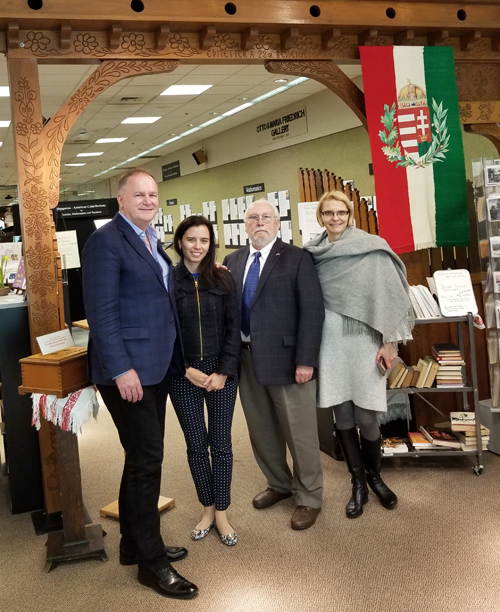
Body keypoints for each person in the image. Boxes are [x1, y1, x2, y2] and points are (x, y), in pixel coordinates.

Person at [82, 169, 198, 599]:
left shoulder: (151, 240)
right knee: (148, 460)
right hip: (128, 373)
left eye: (153, 194)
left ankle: (134, 544)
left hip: (156, 366)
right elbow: (101, 313)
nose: (148, 200)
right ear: (121, 199)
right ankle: (153, 564)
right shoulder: (106, 242)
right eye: (139, 194)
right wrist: (121, 369)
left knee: (140, 458)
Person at [304, 190, 414, 519]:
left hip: (365, 341)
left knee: (367, 416)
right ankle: (358, 483)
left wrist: (390, 341)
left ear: (350, 216)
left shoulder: (371, 248)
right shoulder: (312, 253)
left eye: (341, 213)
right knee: (344, 416)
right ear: (320, 216)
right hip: (330, 343)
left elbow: (393, 294)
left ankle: (375, 477)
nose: (334, 218)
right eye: (328, 213)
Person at [223, 199, 324, 531]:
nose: (260, 222)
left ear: (278, 223)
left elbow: (312, 312)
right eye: (253, 217)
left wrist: (306, 360)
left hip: (289, 362)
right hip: (246, 359)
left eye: (266, 217)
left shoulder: (296, 258)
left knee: (300, 433)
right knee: (261, 429)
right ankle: (279, 483)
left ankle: (309, 496)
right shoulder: (233, 261)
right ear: (245, 223)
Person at [168, 216, 240, 546]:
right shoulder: (168, 280)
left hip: (220, 372)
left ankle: (222, 513)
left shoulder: (223, 280)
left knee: (221, 444)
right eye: (191, 239)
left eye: (205, 241)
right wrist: (184, 369)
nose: (198, 246)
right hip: (184, 374)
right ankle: (207, 509)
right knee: (197, 446)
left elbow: (232, 330)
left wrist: (223, 372)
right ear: (180, 241)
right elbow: (165, 332)